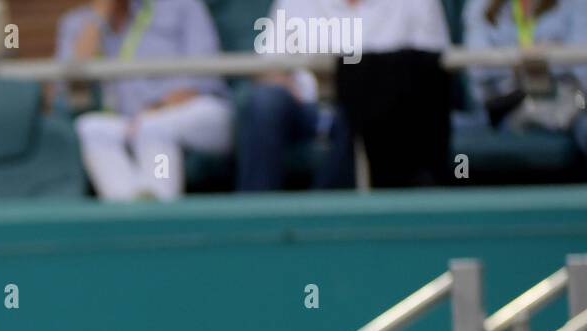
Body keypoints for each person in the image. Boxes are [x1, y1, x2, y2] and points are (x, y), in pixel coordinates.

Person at [238, 0, 451, 192]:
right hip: (306, 105)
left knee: (361, 107)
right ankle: (252, 217)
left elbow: (431, 76)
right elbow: (266, 67)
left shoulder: (420, 3)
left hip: (379, 110)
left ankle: (319, 221)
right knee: (265, 101)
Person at [56, 0, 234, 200]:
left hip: (194, 110)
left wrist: (159, 108)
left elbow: (204, 76)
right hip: (130, 121)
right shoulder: (77, 23)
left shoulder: (182, 5)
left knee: (153, 127)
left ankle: (159, 213)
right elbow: (72, 86)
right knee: (90, 127)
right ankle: (129, 214)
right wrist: (99, 16)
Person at [463, 0, 587, 182]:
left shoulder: (580, 3)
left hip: (564, 109)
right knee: (434, 128)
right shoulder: (479, 4)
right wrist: (533, 63)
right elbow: (478, 72)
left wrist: (529, 66)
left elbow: (584, 74)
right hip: (500, 110)